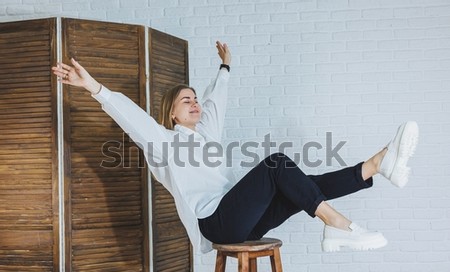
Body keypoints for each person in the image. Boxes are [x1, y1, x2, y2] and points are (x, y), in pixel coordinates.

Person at [52, 41, 419, 254]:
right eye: (186, 101)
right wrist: (95, 88)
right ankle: (337, 224)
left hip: (244, 221)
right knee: (277, 165)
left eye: (194, 98)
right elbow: (132, 117)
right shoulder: (162, 142)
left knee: (300, 186)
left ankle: (375, 165)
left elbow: (217, 102)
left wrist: (224, 68)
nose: (195, 104)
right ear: (172, 115)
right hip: (217, 222)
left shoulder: (205, 134)